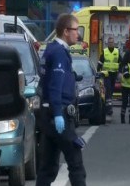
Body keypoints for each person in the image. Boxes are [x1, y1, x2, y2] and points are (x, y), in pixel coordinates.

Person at [36, 13, 86, 186]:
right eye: (76, 30)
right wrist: (58, 113)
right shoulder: (58, 53)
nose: (78, 34)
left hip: (48, 114)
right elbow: (55, 86)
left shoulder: (51, 49)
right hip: (60, 115)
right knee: (76, 164)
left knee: (48, 167)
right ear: (66, 31)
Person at [97, 36, 121, 116]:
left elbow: (121, 62)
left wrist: (120, 72)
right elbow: (100, 63)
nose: (111, 44)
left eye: (112, 42)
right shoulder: (105, 52)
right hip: (106, 74)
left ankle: (108, 106)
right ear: (107, 43)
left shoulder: (117, 51)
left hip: (114, 74)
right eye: (109, 42)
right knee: (108, 89)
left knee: (111, 90)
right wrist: (98, 72)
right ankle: (109, 108)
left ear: (114, 43)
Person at [119, 50, 130, 124]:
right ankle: (123, 118)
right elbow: (126, 75)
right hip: (126, 86)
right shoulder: (126, 65)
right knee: (125, 102)